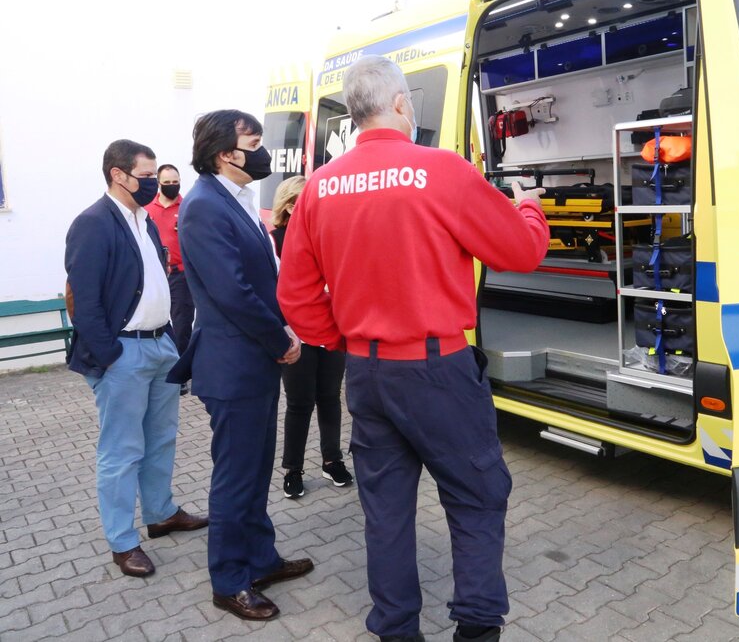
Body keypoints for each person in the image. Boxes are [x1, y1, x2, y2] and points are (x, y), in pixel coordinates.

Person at [278, 56, 549, 642]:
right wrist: (528, 203)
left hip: (367, 374)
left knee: (386, 510)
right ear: (401, 103)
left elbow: (295, 294)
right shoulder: (441, 169)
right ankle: (476, 627)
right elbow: (522, 252)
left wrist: (346, 339)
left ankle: (397, 629)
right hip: (437, 370)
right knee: (476, 496)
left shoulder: (321, 186)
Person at [167, 110, 311, 621]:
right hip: (235, 366)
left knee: (255, 470)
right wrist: (280, 339)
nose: (263, 151)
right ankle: (229, 581)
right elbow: (233, 292)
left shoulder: (235, 199)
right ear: (226, 153)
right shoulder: (205, 206)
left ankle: (261, 559)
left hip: (253, 364)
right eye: (254, 143)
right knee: (235, 478)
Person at [64, 139, 208, 579]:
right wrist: (110, 355)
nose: (153, 184)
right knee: (122, 450)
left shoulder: (144, 221)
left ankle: (161, 513)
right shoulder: (93, 223)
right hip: (123, 353)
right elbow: (84, 300)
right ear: (118, 174)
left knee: (161, 439)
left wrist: (170, 341)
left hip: (161, 345)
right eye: (145, 176)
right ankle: (122, 541)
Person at [270, 176, 353, 499]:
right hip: (296, 335)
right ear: (291, 206)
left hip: (331, 330)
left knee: (330, 398)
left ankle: (332, 460)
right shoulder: (275, 240)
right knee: (299, 403)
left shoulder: (328, 234)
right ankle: (293, 469)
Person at [144, 164, 195, 395]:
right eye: (167, 183)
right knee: (156, 322)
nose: (172, 186)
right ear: (159, 183)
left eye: (176, 182)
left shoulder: (187, 207)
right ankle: (158, 368)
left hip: (180, 274)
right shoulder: (147, 209)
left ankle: (180, 374)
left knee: (182, 324)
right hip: (154, 275)